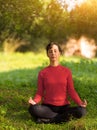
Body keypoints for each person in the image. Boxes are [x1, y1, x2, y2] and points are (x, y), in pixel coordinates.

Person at [28, 42, 87, 124]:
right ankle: (60, 118)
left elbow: (71, 90)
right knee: (33, 109)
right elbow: (40, 93)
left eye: (55, 51)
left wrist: (80, 103)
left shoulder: (66, 71)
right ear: (47, 54)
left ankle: (48, 120)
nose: (53, 53)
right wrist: (34, 102)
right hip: (48, 108)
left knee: (82, 111)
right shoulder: (43, 73)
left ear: (60, 53)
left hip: (64, 107)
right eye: (50, 51)